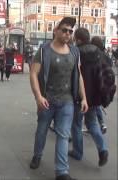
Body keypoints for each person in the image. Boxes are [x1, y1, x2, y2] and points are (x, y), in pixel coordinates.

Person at [29, 17, 88, 180]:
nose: (68, 33)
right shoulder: (44, 50)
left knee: (63, 135)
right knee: (41, 130)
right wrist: (38, 96)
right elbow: (33, 73)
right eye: (64, 30)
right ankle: (37, 155)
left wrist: (84, 98)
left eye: (70, 31)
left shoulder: (75, 51)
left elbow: (79, 76)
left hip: (67, 101)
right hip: (47, 100)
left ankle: (62, 172)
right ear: (56, 30)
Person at [69, 28, 109, 167]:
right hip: (95, 97)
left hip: (79, 96)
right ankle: (102, 149)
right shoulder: (98, 52)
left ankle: (78, 152)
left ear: (78, 39)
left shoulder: (76, 52)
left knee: (76, 124)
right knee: (92, 123)